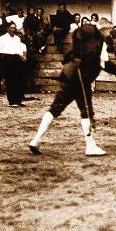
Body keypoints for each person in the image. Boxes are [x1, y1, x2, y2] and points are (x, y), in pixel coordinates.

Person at [28, 24, 109, 156]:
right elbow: (104, 62)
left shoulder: (79, 44)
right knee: (86, 111)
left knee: (55, 108)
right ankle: (90, 146)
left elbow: (67, 57)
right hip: (81, 79)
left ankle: (35, 140)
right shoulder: (96, 45)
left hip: (68, 76)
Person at [0, 22, 27, 107]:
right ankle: (12, 101)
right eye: (11, 28)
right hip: (7, 59)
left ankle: (18, 100)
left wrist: (22, 56)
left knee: (18, 80)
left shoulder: (17, 38)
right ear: (7, 28)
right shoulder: (3, 38)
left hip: (17, 59)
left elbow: (19, 49)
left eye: (14, 28)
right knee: (10, 80)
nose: (13, 29)